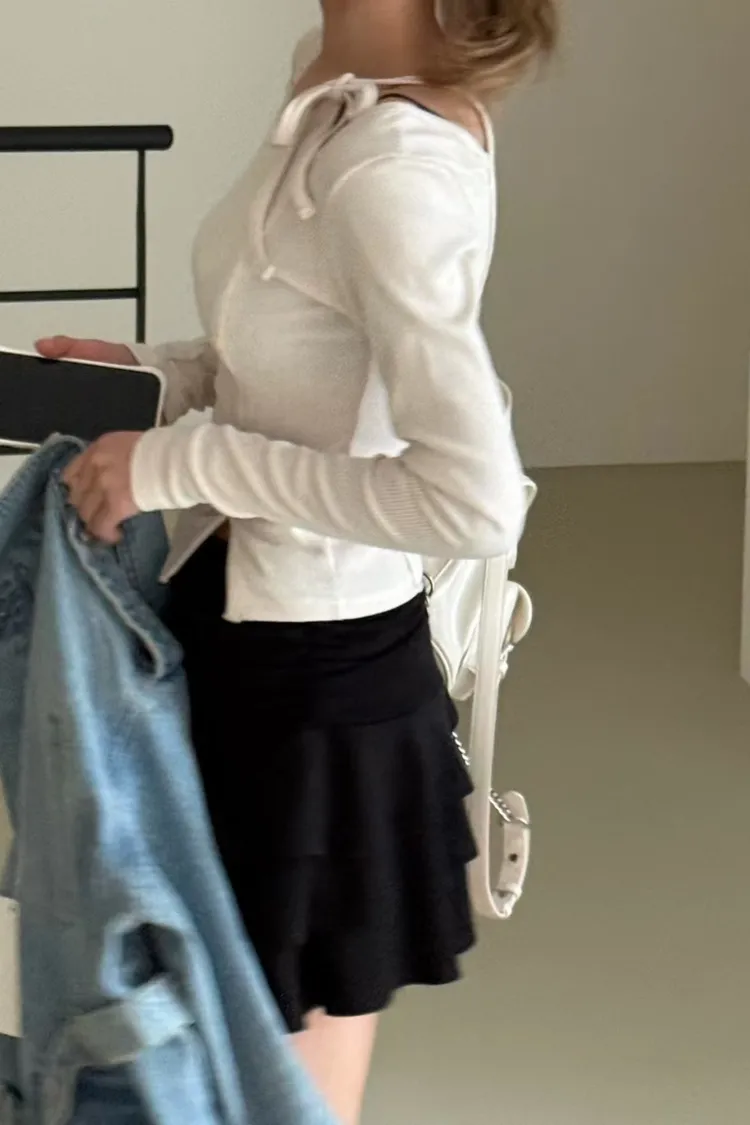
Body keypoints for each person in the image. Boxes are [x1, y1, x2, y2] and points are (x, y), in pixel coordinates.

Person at [37, 2, 557, 1121]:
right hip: (240, 632)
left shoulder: (394, 167)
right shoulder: (332, 86)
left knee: (277, 1092)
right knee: (213, 1059)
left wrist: (179, 462)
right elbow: (296, 357)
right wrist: (155, 373)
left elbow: (467, 498)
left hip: (315, 691)